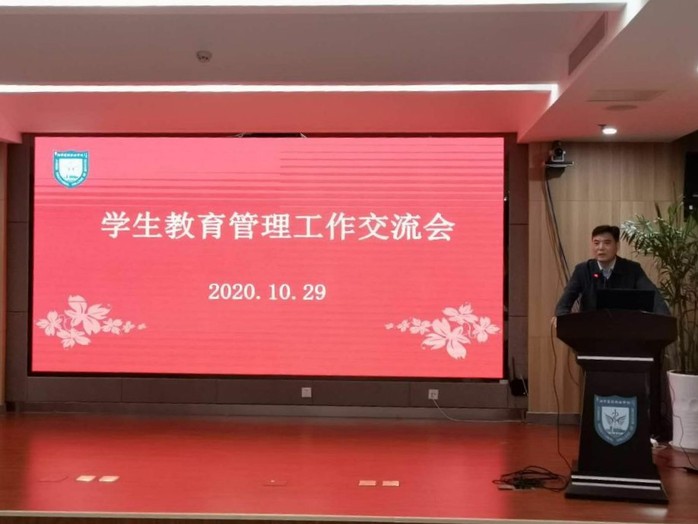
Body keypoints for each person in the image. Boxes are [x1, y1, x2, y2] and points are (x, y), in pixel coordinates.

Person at [554, 225, 670, 317]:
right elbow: (565, 302)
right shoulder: (583, 270)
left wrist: (664, 320)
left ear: (617, 246)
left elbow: (654, 297)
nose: (600, 248)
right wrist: (561, 317)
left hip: (625, 331)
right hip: (591, 331)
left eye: (607, 243)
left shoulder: (632, 269)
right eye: (596, 243)